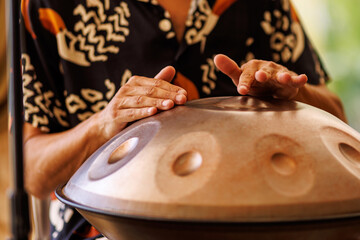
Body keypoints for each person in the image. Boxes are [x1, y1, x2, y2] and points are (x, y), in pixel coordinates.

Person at [20, 0, 346, 239]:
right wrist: (103, 124)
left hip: (249, 219)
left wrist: (293, 96)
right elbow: (32, 173)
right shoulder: (47, 7)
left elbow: (337, 121)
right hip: (106, 225)